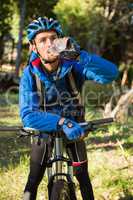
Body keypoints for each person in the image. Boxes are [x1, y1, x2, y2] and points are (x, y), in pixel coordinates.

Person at [19, 17, 119, 200]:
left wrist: (81, 56)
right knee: (33, 181)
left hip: (76, 128)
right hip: (45, 131)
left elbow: (110, 75)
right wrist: (62, 122)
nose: (49, 44)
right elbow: (28, 115)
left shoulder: (73, 66)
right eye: (42, 40)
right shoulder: (29, 74)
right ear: (33, 46)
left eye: (53, 38)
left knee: (83, 178)